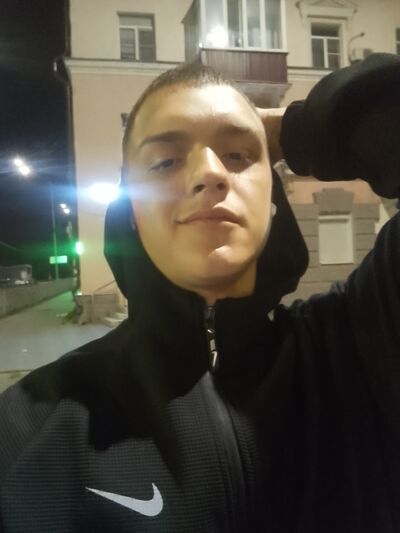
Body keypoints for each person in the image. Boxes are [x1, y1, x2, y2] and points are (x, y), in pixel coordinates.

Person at [0, 53, 399, 532]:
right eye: (165, 161)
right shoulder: (27, 430)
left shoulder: (362, 347)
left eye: (238, 156)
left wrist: (292, 130)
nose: (210, 173)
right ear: (131, 214)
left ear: (273, 202)